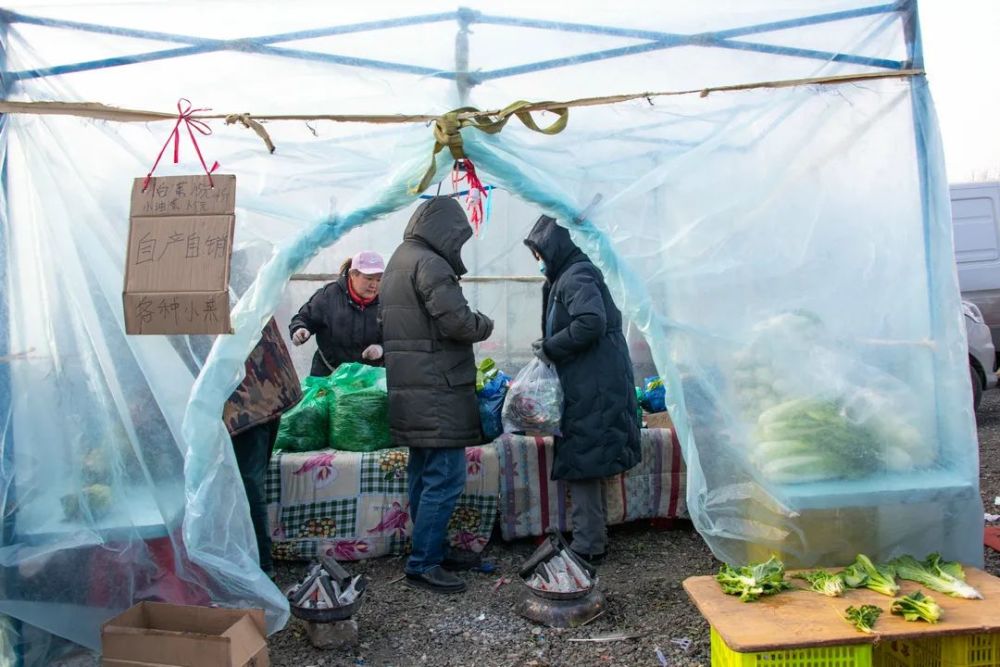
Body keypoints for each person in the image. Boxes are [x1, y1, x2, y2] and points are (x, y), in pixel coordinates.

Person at [380, 196, 494, 594]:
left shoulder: (399, 259)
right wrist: (485, 324)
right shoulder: (430, 263)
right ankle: (424, 562)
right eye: (458, 238)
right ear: (445, 231)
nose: (459, 247)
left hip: (412, 389)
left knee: (423, 475)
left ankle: (431, 548)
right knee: (445, 478)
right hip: (438, 390)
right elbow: (457, 321)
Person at [523, 214, 641, 566]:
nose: (539, 262)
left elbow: (590, 322)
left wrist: (550, 347)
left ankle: (589, 545)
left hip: (594, 385)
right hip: (593, 381)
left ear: (555, 246)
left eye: (540, 254)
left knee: (585, 461)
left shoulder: (577, 274)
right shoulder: (572, 273)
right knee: (588, 458)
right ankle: (593, 536)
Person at [224, 317, 303, 578]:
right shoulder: (241, 287)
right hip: (266, 388)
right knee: (251, 479)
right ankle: (257, 560)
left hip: (249, 399)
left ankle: (260, 565)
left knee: (247, 482)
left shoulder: (208, 294)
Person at [289, 250, 385, 376]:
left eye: (379, 280)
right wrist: (300, 329)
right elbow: (304, 318)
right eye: (369, 278)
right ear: (352, 274)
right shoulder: (328, 296)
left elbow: (398, 336)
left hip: (369, 381)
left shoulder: (387, 301)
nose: (374, 285)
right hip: (328, 377)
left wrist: (381, 349)